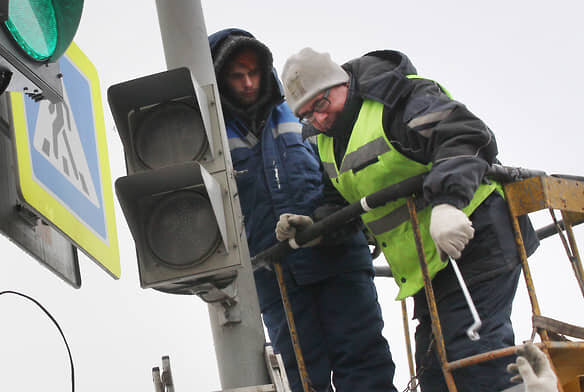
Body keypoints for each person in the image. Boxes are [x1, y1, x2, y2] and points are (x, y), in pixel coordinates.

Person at [279, 47, 539, 392]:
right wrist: (316, 228)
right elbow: (340, 202)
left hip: (477, 237)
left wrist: (448, 203)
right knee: (435, 375)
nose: (320, 119)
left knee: (470, 357)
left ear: (341, 84)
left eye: (321, 105)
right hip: (429, 263)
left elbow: (463, 135)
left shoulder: (397, 98)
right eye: (307, 115)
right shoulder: (325, 142)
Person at [209, 29, 396, 392]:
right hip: (275, 277)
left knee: (364, 361)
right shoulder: (210, 138)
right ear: (219, 78)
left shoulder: (303, 110)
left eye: (254, 72)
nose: (248, 83)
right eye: (236, 75)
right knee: (301, 378)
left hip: (338, 258)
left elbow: (342, 174)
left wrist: (336, 219)